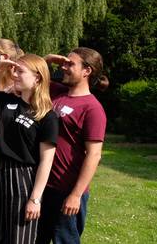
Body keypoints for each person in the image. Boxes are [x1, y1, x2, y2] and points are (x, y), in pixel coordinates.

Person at [37, 48, 108, 244]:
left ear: (87, 71)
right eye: (64, 63)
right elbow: (33, 75)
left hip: (66, 191)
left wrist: (75, 195)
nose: (64, 67)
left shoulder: (92, 108)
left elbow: (94, 155)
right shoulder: (56, 92)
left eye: (70, 64)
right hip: (42, 185)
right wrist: (47, 60)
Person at [0, 54, 59, 244]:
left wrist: (35, 199)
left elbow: (46, 161)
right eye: (14, 70)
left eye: (20, 71)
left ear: (37, 78)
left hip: (22, 178)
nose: (15, 75)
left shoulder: (47, 117)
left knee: (18, 237)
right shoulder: (5, 101)